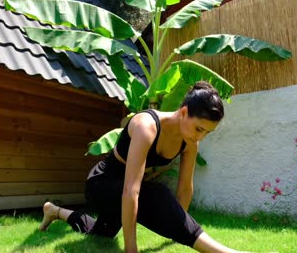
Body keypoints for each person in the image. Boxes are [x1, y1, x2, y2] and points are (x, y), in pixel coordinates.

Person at [39, 81, 245, 253]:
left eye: (206, 133)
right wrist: (131, 248)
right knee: (157, 194)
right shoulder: (146, 126)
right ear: (183, 112)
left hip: (122, 191)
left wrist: (177, 229)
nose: (200, 137)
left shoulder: (190, 142)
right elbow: (131, 190)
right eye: (199, 129)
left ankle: (54, 211)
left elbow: (185, 188)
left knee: (102, 233)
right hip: (101, 184)